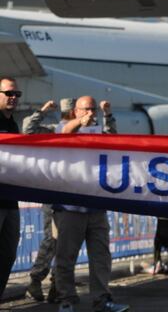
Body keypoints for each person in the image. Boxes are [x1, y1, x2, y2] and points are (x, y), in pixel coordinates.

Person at [53, 96, 128, 312]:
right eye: (86, 110)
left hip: (95, 206)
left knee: (101, 257)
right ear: (76, 111)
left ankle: (102, 299)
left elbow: (115, 140)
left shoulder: (98, 132)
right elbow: (65, 132)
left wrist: (108, 115)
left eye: (93, 110)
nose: (90, 114)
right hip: (70, 207)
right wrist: (79, 123)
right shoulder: (64, 126)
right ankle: (66, 299)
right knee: (66, 256)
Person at [23, 98, 76, 303]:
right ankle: (37, 280)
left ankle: (57, 284)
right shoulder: (53, 131)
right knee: (52, 241)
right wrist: (41, 111)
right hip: (54, 193)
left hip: (73, 194)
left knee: (67, 244)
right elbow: (28, 130)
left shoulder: (83, 134)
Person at [0, 77, 22, 301]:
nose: (13, 98)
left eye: (17, 94)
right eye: (8, 93)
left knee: (8, 255)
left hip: (11, 201)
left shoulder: (13, 124)